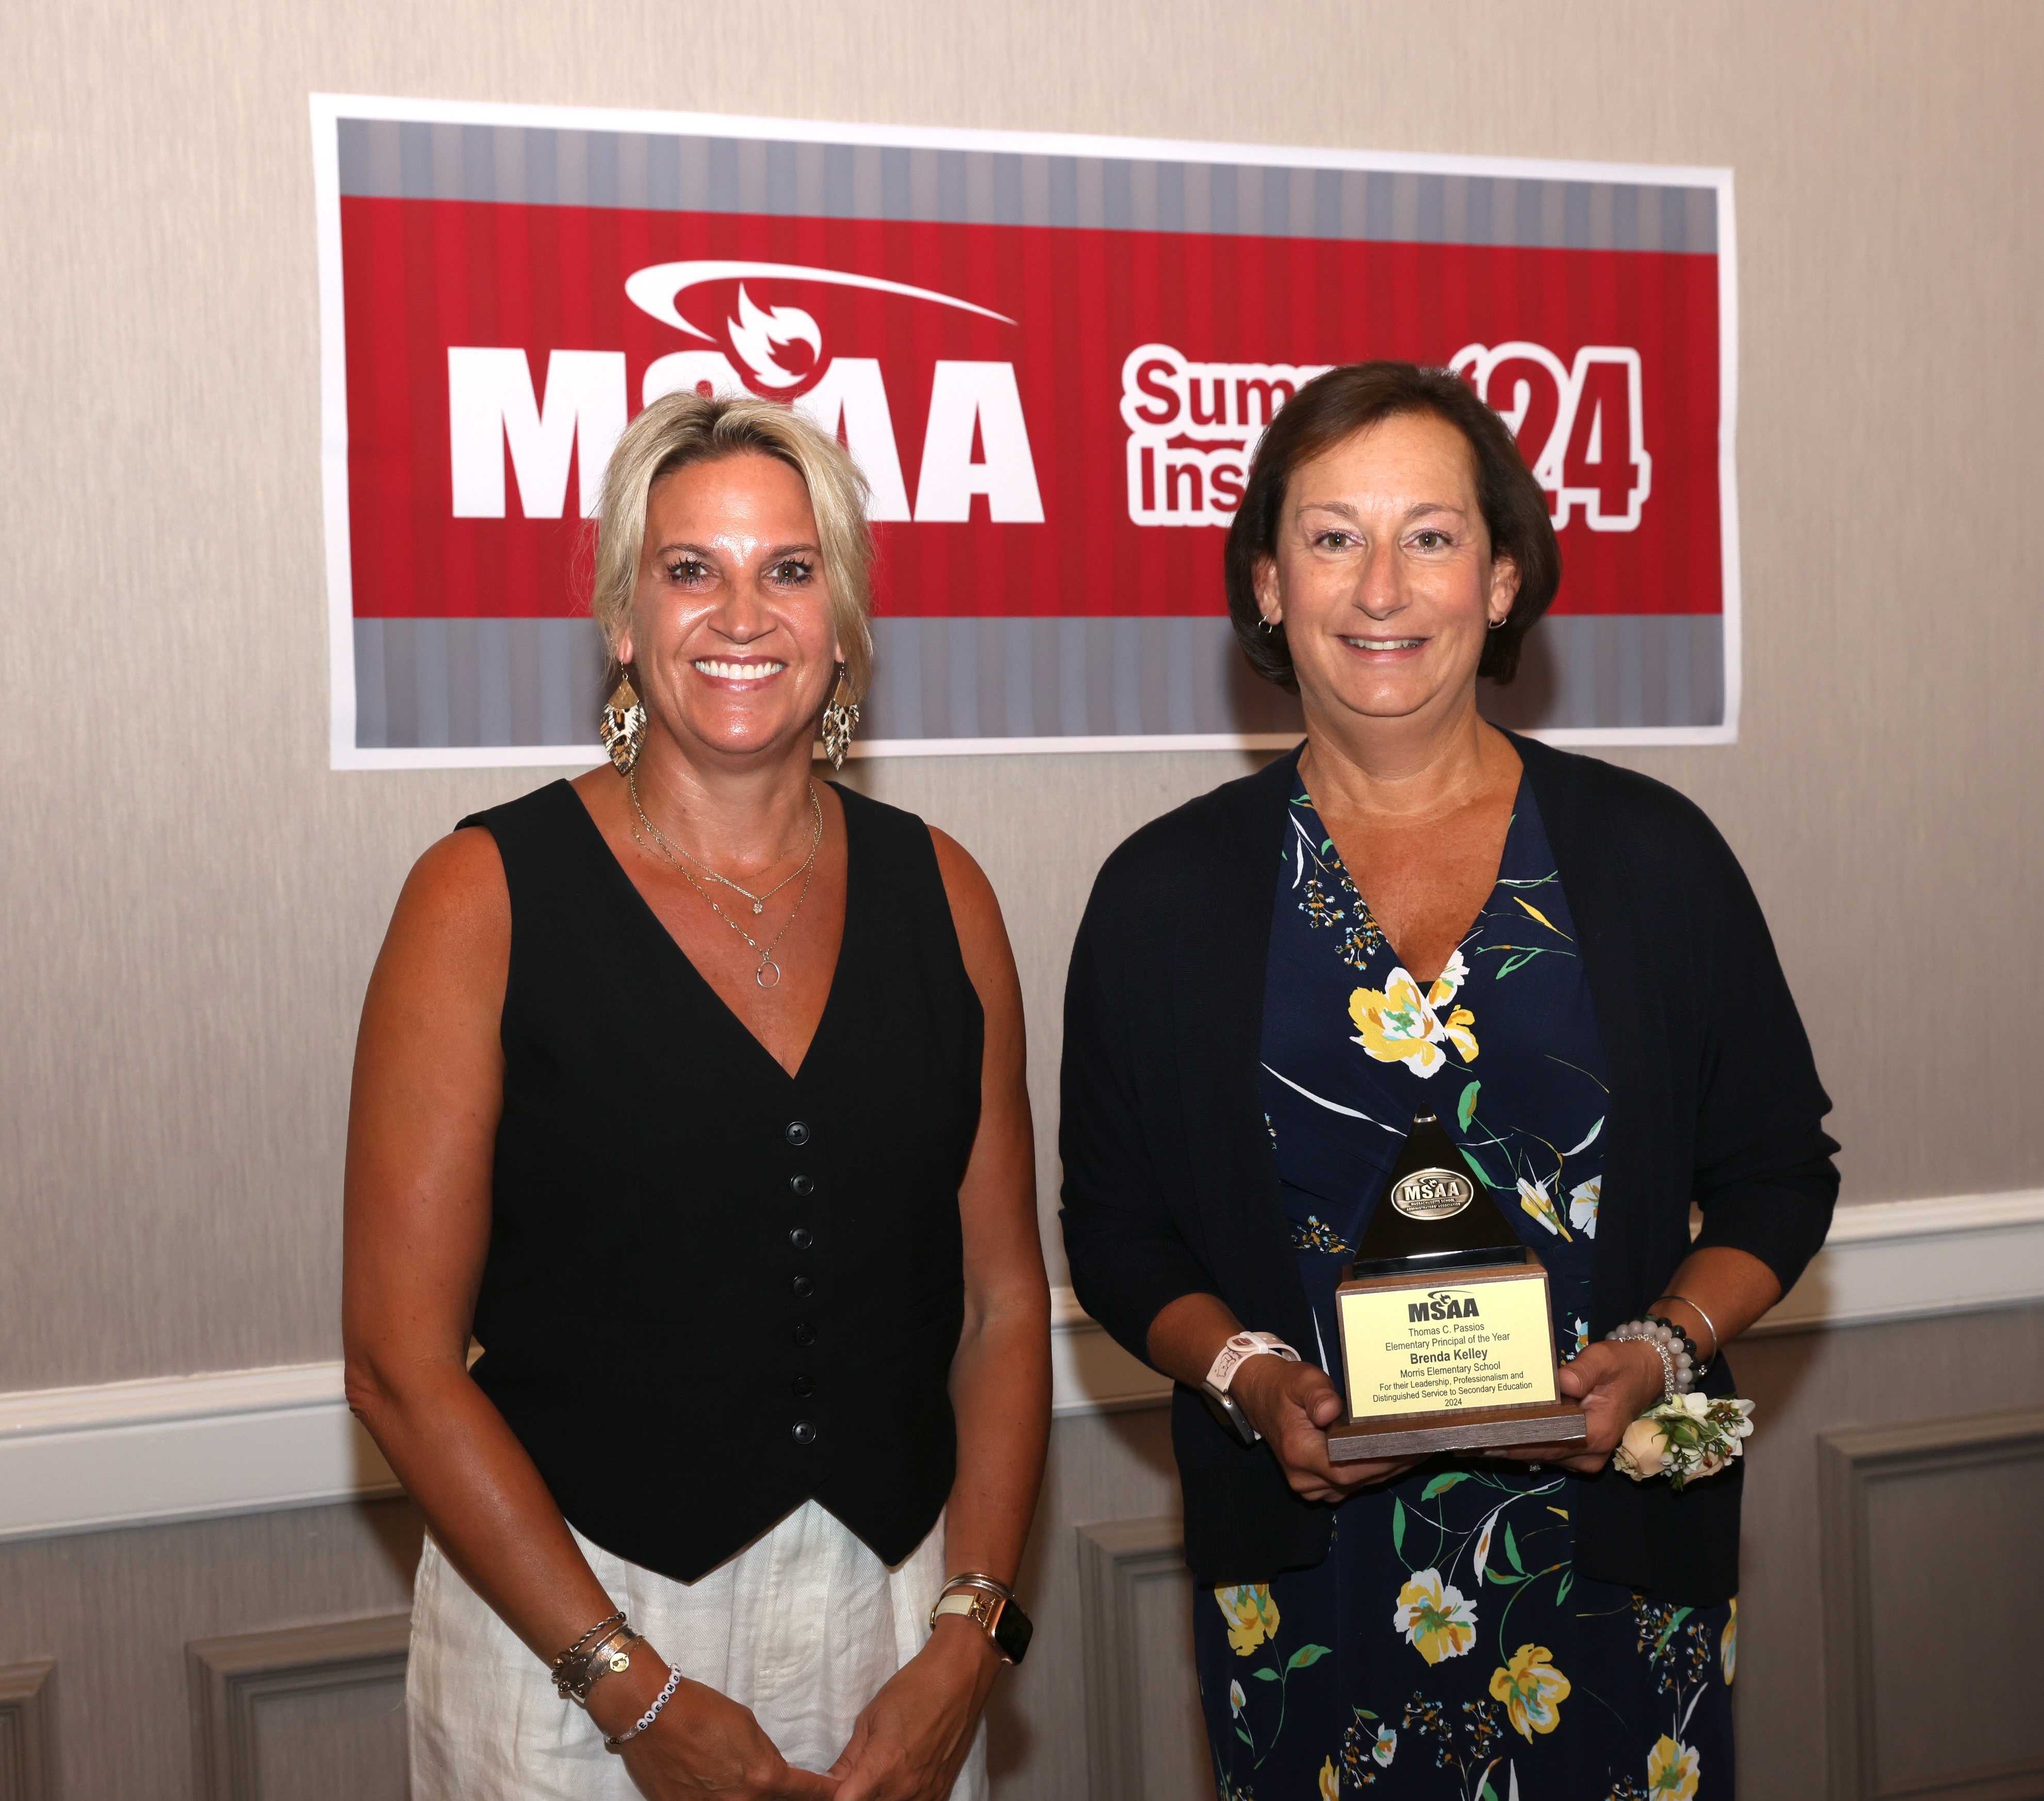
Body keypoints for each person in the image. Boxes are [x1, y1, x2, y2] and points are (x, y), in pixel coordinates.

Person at [1059, 362, 1837, 1799]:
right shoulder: (1162, 895)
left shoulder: (1651, 857)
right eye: (1330, 535)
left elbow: (1779, 1176)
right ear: (1266, 584)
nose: (1378, 585)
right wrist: (1245, 1378)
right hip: (1305, 1579)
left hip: (1614, 1566)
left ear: (1499, 581)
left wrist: (1660, 1348)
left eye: (1428, 534)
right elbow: (1112, 1230)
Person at [344, 392, 1050, 1801]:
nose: (743, 612)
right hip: (568, 1641)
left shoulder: (946, 894)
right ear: (621, 621)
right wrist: (627, 1682)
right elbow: (397, 1366)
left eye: (789, 570)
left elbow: (1000, 1303)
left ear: (844, 626)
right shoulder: (479, 897)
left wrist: (972, 1634)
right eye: (690, 569)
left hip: (891, 1632)